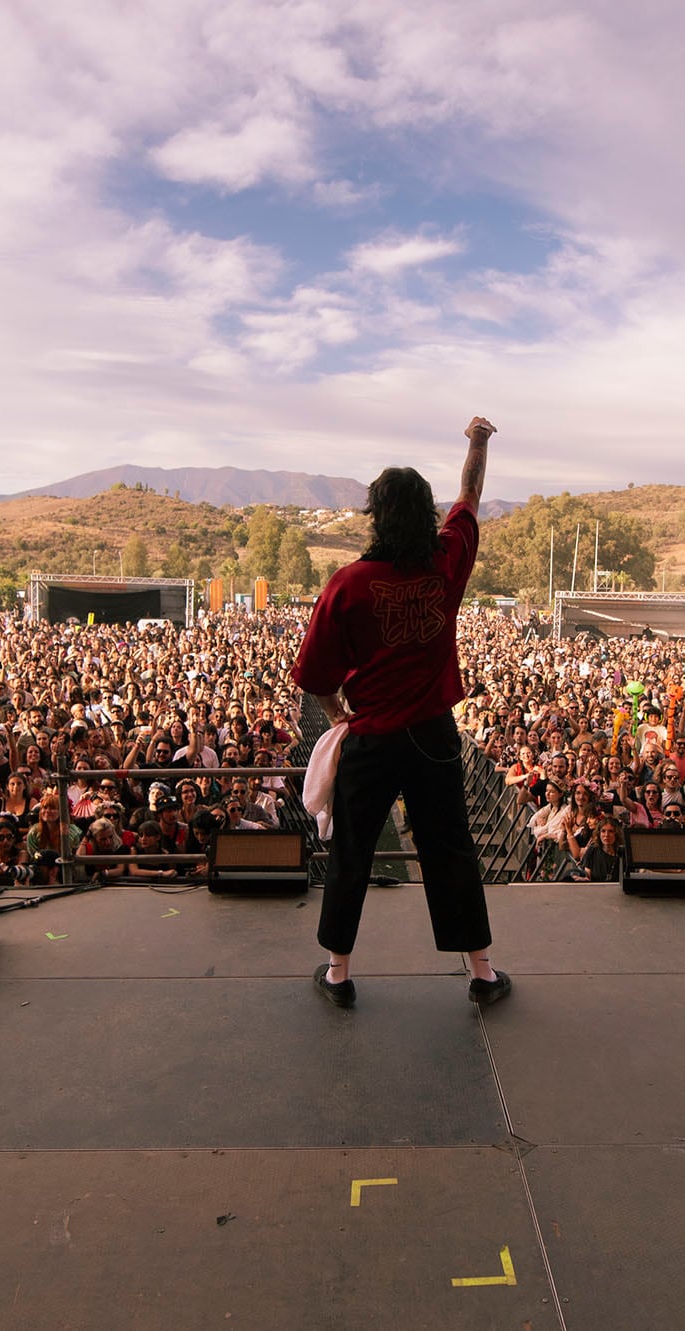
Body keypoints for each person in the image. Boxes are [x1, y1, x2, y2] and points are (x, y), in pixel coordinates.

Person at [293, 416, 503, 1009]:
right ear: (426, 517)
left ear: (376, 518)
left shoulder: (349, 583)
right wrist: (478, 442)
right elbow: (470, 496)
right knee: (451, 848)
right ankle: (481, 972)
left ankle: (338, 975)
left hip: (373, 737)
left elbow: (315, 677)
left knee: (352, 851)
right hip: (433, 735)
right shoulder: (446, 564)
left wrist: (339, 717)